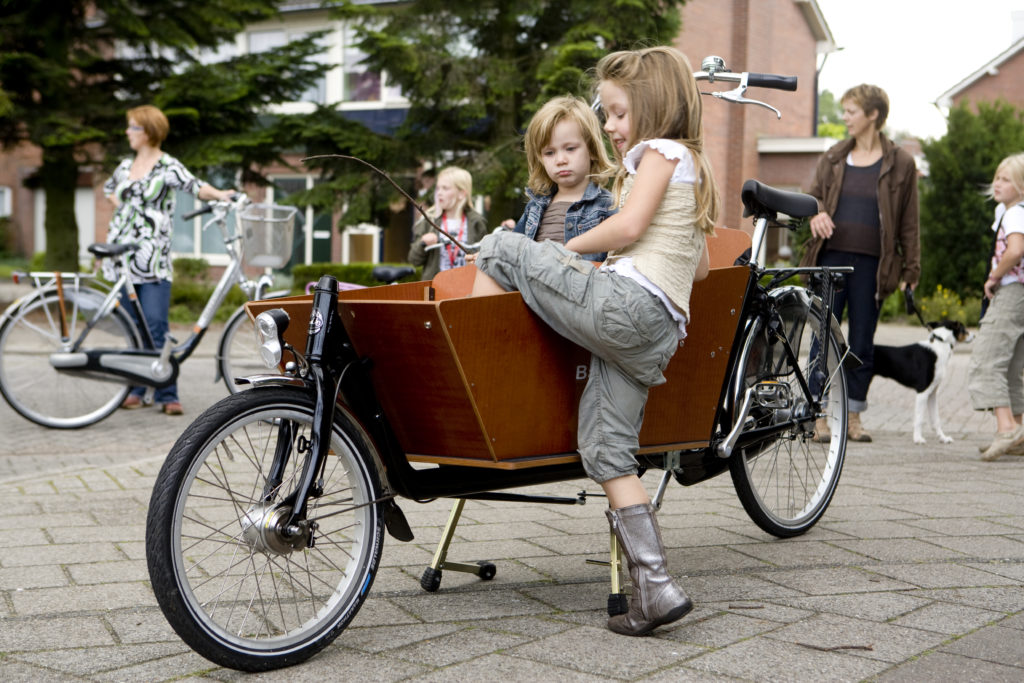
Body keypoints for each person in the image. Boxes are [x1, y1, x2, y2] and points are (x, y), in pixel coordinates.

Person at [471, 46, 718, 636]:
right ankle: (656, 590)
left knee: (501, 248)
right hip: (653, 335)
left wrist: (560, 252)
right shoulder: (688, 172)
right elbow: (701, 267)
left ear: (654, 105)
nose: (608, 126)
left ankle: (477, 369)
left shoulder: (661, 153)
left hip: (629, 309)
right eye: (606, 115)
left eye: (616, 113)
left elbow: (629, 229)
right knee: (606, 449)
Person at [800, 84, 920, 443]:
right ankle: (817, 414)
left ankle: (853, 416)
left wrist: (911, 270)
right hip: (830, 258)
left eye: (852, 111)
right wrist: (815, 213)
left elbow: (910, 222)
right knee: (823, 337)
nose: (846, 118)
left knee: (862, 342)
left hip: (873, 265)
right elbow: (810, 197)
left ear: (873, 115)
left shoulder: (901, 163)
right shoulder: (834, 156)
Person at [104, 105, 235, 415]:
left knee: (156, 324)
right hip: (122, 256)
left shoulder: (167, 166)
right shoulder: (124, 167)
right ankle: (136, 388)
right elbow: (109, 190)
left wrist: (220, 194)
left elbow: (195, 186)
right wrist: (127, 210)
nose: (128, 133)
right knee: (132, 326)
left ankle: (166, 392)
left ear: (148, 132)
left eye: (133, 127)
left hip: (153, 260)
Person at [510, 95, 616, 261]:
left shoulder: (608, 206)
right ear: (540, 158)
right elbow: (510, 249)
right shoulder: (535, 207)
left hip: (581, 284)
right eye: (550, 153)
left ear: (592, 150)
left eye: (570, 149)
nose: (560, 160)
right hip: (533, 284)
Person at [969, 152, 1024, 461]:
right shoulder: (1012, 210)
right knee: (1013, 364)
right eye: (997, 177)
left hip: (1012, 290)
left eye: (1006, 179)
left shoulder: (1014, 212)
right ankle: (1018, 430)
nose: (997, 183)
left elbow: (1015, 250)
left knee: (987, 358)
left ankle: (1006, 429)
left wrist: (994, 276)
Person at [407, 166, 487, 280]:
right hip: (437, 290)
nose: (439, 193)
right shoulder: (429, 221)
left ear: (462, 194)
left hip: (467, 288)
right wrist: (423, 243)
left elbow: (485, 262)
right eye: (438, 188)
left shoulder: (477, 222)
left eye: (445, 188)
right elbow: (414, 260)